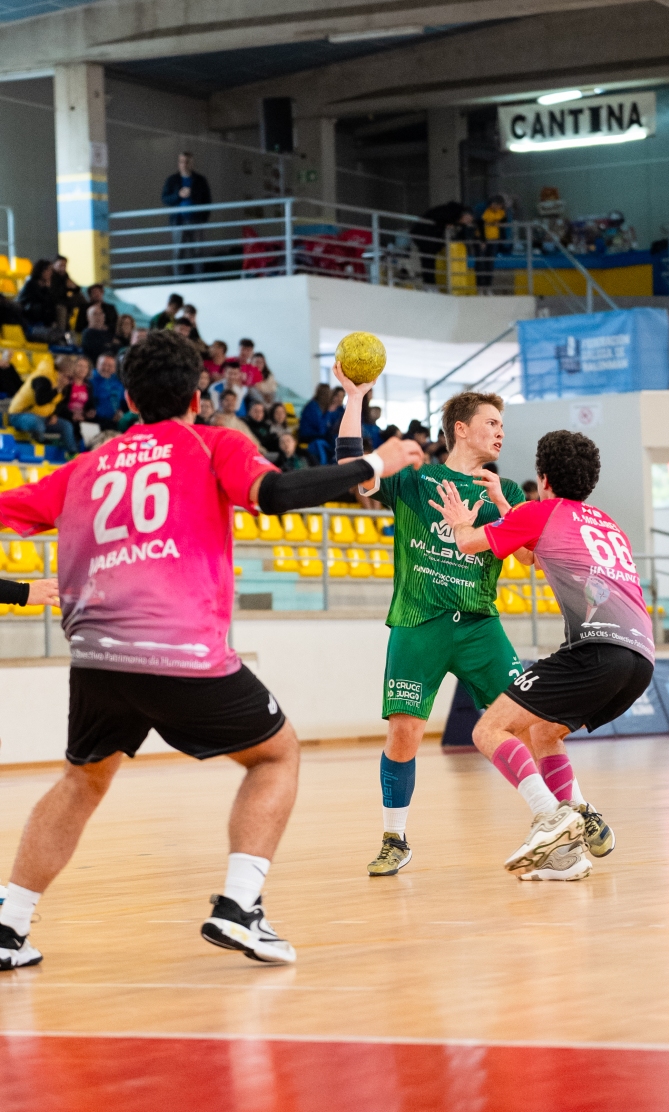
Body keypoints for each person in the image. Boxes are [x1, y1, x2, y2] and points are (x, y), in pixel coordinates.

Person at [0, 329, 423, 971]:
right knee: (276, 754)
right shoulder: (211, 443)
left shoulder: (88, 465)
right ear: (198, 397)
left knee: (82, 779)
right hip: (180, 652)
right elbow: (277, 496)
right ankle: (239, 906)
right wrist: (376, 463)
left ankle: (9, 926)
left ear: (130, 400)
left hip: (97, 660)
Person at [436, 429, 653, 881]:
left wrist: (458, 520)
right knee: (543, 732)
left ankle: (550, 816)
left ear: (544, 479)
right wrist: (505, 506)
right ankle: (568, 849)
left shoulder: (541, 512)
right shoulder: (606, 523)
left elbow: (468, 544)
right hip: (641, 661)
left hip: (597, 651)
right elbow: (531, 556)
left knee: (489, 729)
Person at [335, 369, 528, 875]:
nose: (500, 432)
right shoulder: (416, 480)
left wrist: (504, 507)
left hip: (479, 623)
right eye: (491, 422)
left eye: (502, 425)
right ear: (460, 429)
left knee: (527, 724)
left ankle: (566, 813)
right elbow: (352, 468)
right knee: (404, 732)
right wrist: (355, 398)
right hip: (419, 620)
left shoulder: (505, 489)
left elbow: (530, 556)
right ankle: (394, 838)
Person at [8, 357, 78, 456]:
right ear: (62, 371)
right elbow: (40, 400)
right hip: (20, 415)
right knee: (37, 424)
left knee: (67, 426)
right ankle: (42, 448)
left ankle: (72, 453)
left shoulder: (63, 382)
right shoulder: (43, 377)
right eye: (69, 376)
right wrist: (58, 389)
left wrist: (54, 414)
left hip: (44, 416)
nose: (70, 379)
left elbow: (60, 403)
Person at [162, 151, 211, 276]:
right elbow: (165, 199)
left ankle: (199, 280)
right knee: (178, 252)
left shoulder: (200, 180)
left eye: (187, 162)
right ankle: (178, 281)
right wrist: (178, 195)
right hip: (178, 221)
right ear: (178, 163)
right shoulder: (172, 180)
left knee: (198, 252)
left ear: (192, 164)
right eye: (181, 162)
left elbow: (207, 200)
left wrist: (203, 218)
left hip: (196, 221)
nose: (184, 164)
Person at [410, 202, 474, 286]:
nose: (466, 223)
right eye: (467, 220)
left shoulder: (451, 214)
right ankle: (429, 284)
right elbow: (439, 221)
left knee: (429, 260)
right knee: (428, 260)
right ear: (465, 215)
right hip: (425, 235)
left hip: (428, 235)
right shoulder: (448, 213)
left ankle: (430, 284)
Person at [18, 259, 60, 343]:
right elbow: (40, 300)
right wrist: (47, 289)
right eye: (48, 270)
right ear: (41, 271)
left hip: (40, 314)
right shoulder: (31, 284)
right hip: (29, 314)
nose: (50, 273)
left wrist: (48, 289)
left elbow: (52, 301)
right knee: (43, 307)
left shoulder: (45, 286)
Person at [55, 355, 94, 444]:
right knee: (73, 426)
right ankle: (73, 450)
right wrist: (72, 415)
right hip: (66, 416)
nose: (82, 369)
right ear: (73, 367)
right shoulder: (66, 382)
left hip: (82, 417)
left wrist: (91, 411)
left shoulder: (89, 386)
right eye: (80, 366)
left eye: (85, 367)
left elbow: (90, 404)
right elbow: (59, 403)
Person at [89, 353, 126, 429]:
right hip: (93, 420)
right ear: (97, 365)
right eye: (103, 364)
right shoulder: (89, 379)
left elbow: (123, 402)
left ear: (115, 368)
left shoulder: (119, 382)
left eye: (110, 366)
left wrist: (120, 412)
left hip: (114, 421)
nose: (106, 368)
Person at [49, 255, 83, 332]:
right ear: (54, 265)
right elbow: (54, 293)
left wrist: (74, 287)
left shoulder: (64, 275)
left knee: (80, 298)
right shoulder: (51, 276)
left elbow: (76, 288)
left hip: (64, 300)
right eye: (60, 265)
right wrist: (66, 286)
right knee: (62, 309)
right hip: (55, 303)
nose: (63, 268)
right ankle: (61, 333)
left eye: (64, 265)